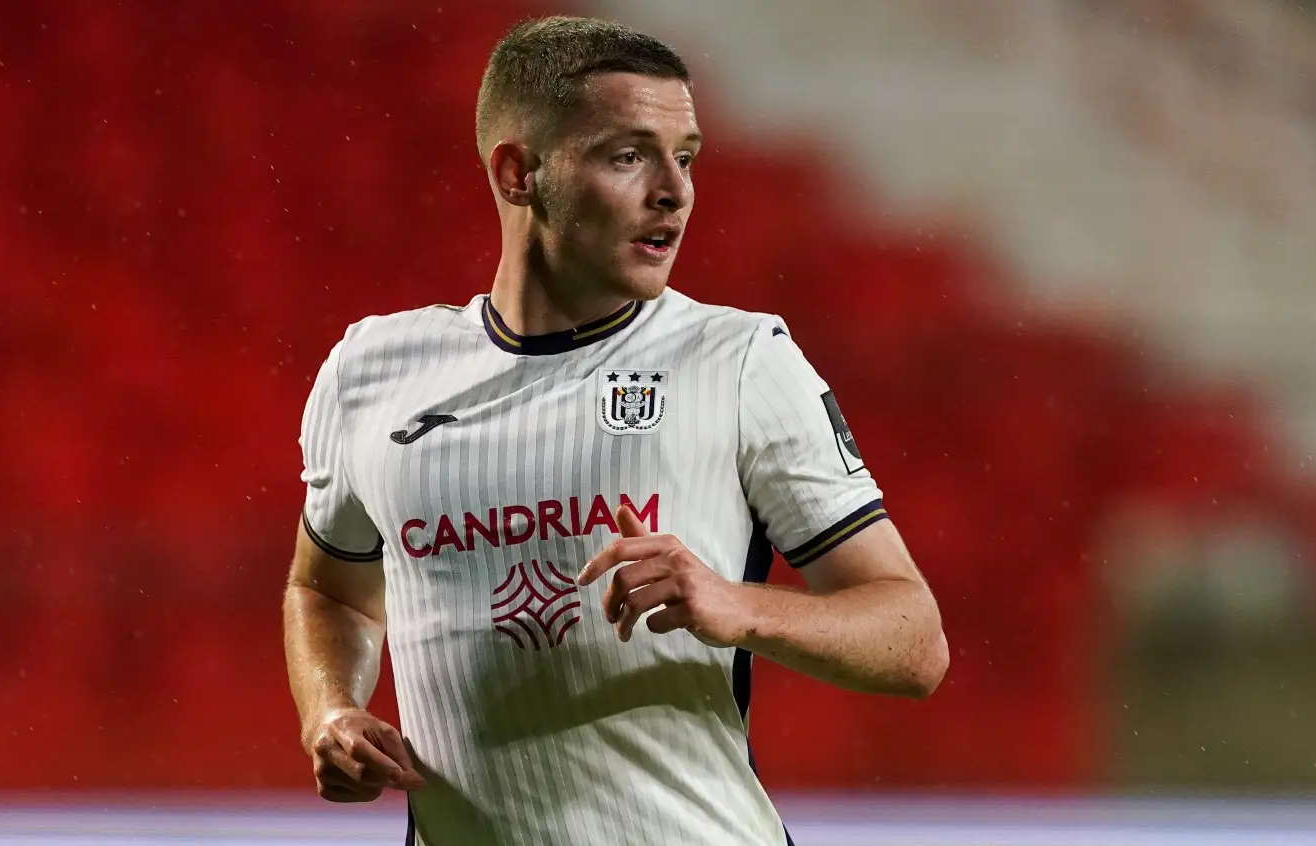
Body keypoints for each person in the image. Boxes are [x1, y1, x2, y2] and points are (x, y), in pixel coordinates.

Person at [282, 15, 948, 846]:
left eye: (687, 155)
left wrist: (736, 606)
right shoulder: (371, 371)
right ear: (519, 173)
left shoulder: (739, 360)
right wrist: (331, 708)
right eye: (627, 155)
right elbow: (328, 590)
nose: (674, 190)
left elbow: (913, 639)